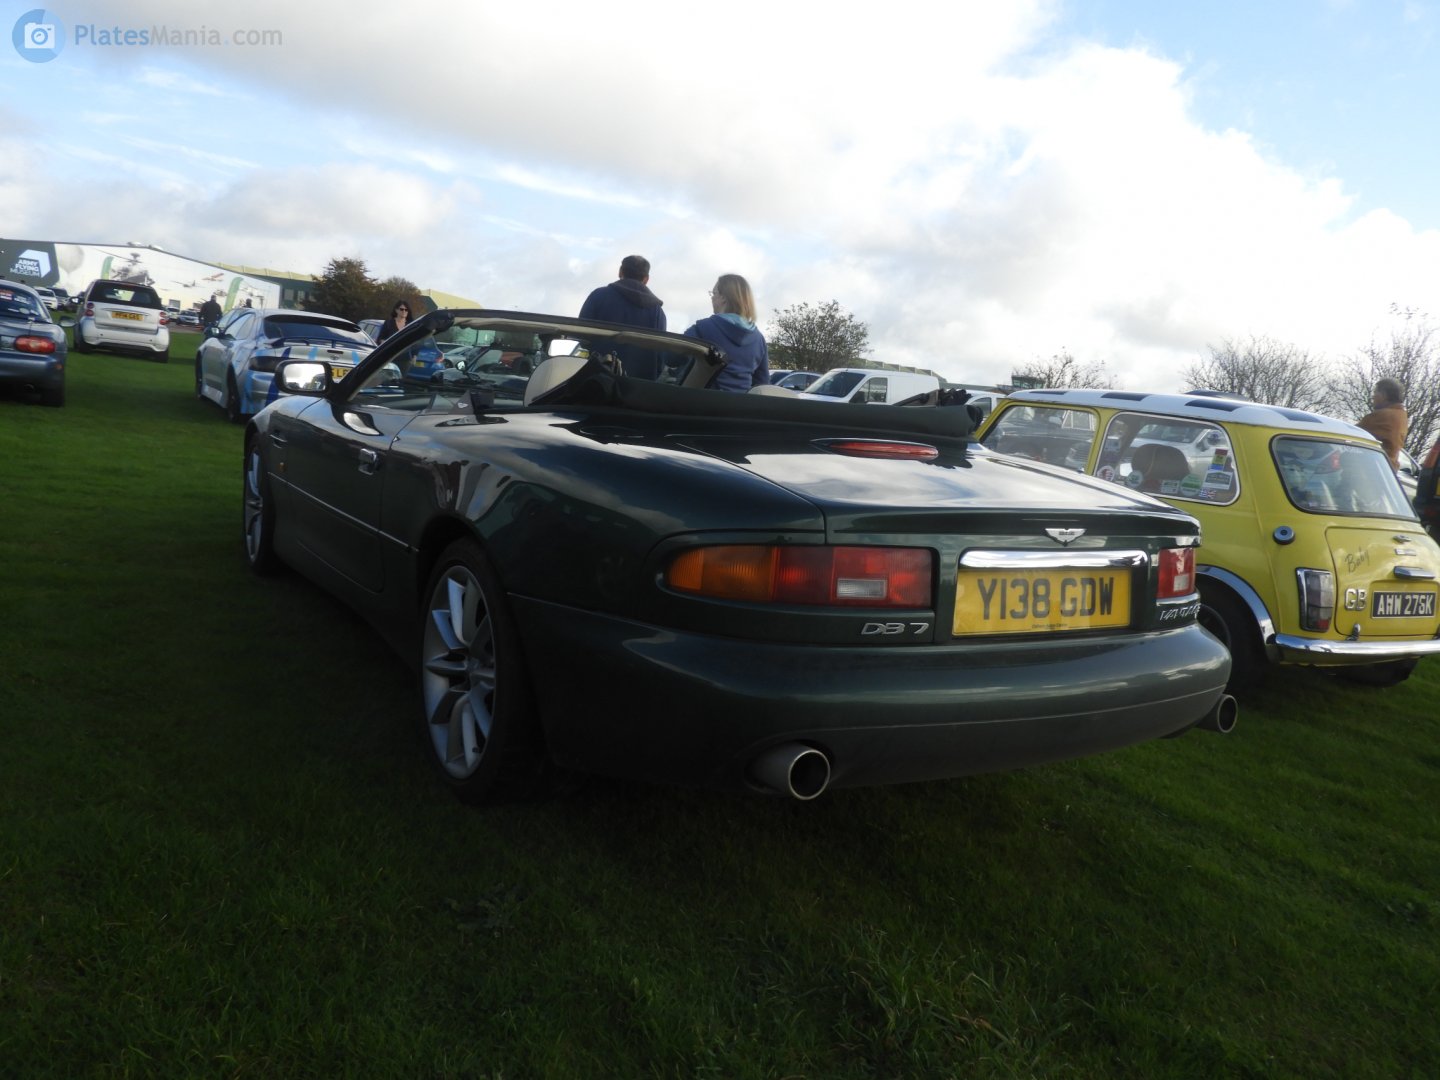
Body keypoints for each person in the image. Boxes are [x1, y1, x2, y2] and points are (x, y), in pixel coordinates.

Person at [578, 255, 666, 378]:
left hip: (598, 381)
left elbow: (581, 336)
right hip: (639, 388)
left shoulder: (598, 296)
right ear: (646, 279)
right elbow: (660, 356)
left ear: (620, 272)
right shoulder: (658, 312)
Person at [684, 274, 769, 392]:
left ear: (723, 297)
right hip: (740, 407)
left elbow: (672, 359)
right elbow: (762, 384)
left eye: (714, 293)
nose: (712, 298)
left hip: (703, 405)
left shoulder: (703, 328)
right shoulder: (759, 339)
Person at [1356, 377, 1408, 471]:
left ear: (1383, 395)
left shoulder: (1381, 416)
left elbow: (1351, 434)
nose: (1373, 396)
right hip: (1388, 471)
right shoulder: (1401, 415)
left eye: (1375, 392)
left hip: (1371, 469)